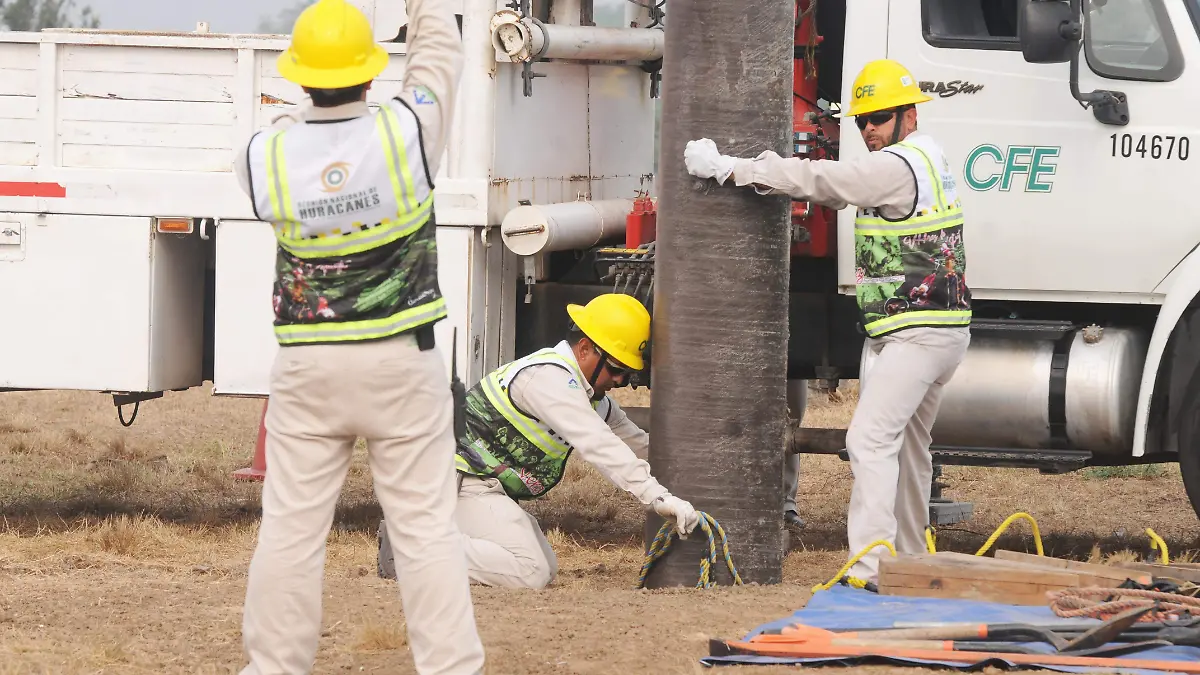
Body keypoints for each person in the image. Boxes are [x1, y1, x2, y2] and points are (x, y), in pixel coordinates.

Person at [231, 0, 485, 673]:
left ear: (300, 77)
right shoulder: (409, 133)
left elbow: (282, 135)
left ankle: (274, 665)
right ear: (373, 77)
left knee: (289, 527)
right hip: (403, 358)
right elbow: (439, 59)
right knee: (427, 529)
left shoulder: (269, 155)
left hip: (308, 363)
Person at [682, 58, 972, 587]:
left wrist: (731, 167)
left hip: (917, 333)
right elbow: (839, 189)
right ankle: (911, 561)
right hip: (928, 331)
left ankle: (871, 570)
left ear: (909, 115)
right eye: (862, 121)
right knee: (909, 446)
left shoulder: (895, 166)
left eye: (879, 118)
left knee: (868, 442)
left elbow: (819, 178)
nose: (868, 131)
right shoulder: (928, 156)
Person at [452, 293, 700, 589]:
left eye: (628, 373)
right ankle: (413, 554)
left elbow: (639, 445)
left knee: (544, 564)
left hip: (477, 483)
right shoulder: (549, 379)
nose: (620, 381)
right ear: (584, 349)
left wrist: (699, 473)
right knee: (531, 569)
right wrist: (657, 498)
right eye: (616, 368)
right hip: (456, 480)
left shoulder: (591, 398)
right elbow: (599, 444)